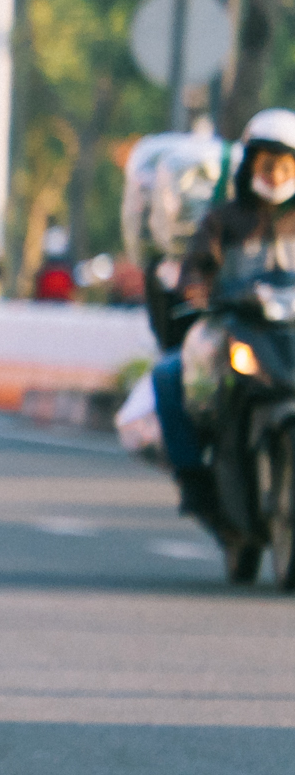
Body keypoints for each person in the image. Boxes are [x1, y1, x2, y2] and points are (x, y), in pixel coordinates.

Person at [149, 107, 295, 529]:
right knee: (168, 377)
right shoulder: (222, 220)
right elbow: (196, 269)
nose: (278, 173)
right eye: (269, 162)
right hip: (236, 328)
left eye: (288, 164)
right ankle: (194, 480)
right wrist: (197, 291)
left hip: (288, 333)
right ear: (251, 162)